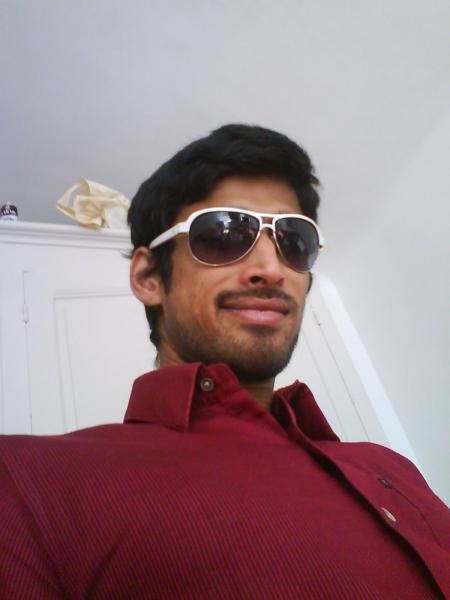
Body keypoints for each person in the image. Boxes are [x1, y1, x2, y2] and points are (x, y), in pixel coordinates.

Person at [0, 125, 449, 598]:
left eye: (294, 241)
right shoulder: (27, 483)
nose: (271, 270)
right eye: (223, 234)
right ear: (149, 276)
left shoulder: (388, 465)